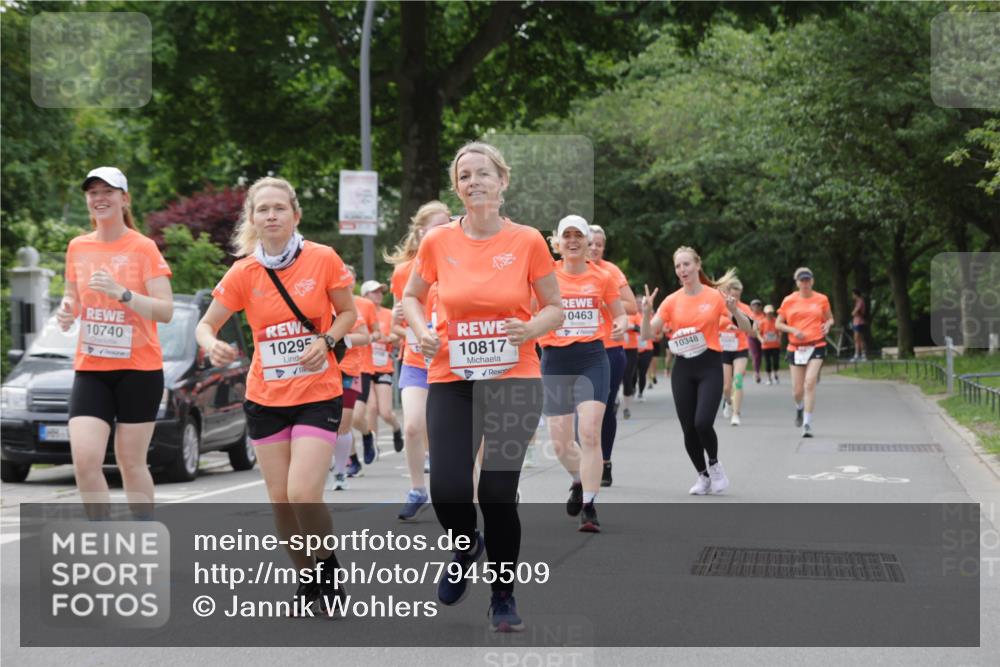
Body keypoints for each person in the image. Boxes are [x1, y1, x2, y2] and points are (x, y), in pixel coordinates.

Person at [402, 141, 562, 632]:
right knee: (448, 487)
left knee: (497, 491)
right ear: (457, 188)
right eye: (465, 176)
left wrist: (532, 329)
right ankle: (464, 542)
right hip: (452, 376)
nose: (474, 182)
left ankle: (503, 595)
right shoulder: (437, 242)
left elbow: (554, 307)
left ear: (503, 181)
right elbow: (411, 297)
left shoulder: (529, 240)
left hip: (514, 377)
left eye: (483, 174)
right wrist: (423, 331)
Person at [195, 176, 357, 613]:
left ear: (295, 215)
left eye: (279, 208)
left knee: (303, 492)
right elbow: (206, 324)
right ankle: (307, 580)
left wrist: (324, 341)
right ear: (252, 218)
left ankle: (327, 566)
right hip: (266, 397)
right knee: (281, 500)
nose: (271, 215)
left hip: (316, 391)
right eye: (262, 209)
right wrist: (211, 344)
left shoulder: (322, 259)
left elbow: (348, 313)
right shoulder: (245, 271)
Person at [59, 167, 174, 520]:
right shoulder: (78, 246)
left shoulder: (143, 247)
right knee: (85, 460)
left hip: (139, 369)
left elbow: (166, 310)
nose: (99, 198)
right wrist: (67, 311)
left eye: (108, 191)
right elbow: (72, 297)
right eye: (93, 192)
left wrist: (123, 294)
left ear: (124, 199)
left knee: (130, 462)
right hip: (92, 368)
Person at [640, 247, 752, 496]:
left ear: (697, 265)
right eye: (678, 266)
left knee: (702, 422)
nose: (683, 270)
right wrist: (647, 312)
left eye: (687, 264)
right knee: (688, 428)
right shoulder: (671, 301)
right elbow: (647, 334)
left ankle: (714, 465)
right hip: (683, 367)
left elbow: (748, 328)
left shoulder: (714, 297)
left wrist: (734, 310)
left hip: (710, 364)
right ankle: (702, 476)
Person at [539, 215, 624, 532]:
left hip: (592, 357)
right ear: (557, 243)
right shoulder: (544, 277)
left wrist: (621, 324)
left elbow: (620, 314)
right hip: (556, 359)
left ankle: (589, 504)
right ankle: (577, 479)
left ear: (589, 242)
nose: (573, 240)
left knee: (589, 432)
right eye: (567, 236)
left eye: (579, 235)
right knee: (560, 443)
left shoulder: (602, 277)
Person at [387, 200, 451, 520]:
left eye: (447, 225)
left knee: (466, 437)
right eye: (436, 226)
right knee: (413, 426)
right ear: (421, 231)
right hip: (416, 361)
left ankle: (494, 488)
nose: (442, 231)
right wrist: (402, 321)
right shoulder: (403, 272)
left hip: (454, 363)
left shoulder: (458, 265)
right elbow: (395, 326)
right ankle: (417, 489)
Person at [588, 225, 638, 487]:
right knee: (581, 410)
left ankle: (605, 462)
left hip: (609, 347)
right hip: (578, 348)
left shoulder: (611, 271)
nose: (594, 248)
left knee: (605, 409)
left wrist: (604, 300)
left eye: (599, 244)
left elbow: (631, 305)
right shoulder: (570, 270)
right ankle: (586, 462)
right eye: (591, 243)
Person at [775, 267, 834, 437]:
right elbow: (779, 323)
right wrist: (793, 330)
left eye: (808, 280)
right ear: (797, 282)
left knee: (810, 382)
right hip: (796, 347)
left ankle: (807, 424)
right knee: (797, 391)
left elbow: (830, 317)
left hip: (816, 344)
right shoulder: (789, 300)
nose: (805, 283)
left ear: (812, 281)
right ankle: (799, 407)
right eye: (802, 280)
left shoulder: (821, 299)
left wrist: (828, 324)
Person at [330, 265, 372, 489]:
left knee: (344, 423)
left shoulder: (352, 308)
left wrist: (337, 338)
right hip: (325, 371)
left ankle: (340, 473)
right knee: (327, 424)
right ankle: (339, 463)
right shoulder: (321, 305)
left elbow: (365, 337)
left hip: (350, 370)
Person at [361, 280, 404, 454]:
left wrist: (388, 338)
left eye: (380, 292)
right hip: (365, 365)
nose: (379, 295)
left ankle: (396, 428)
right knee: (371, 407)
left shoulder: (388, 314)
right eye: (374, 292)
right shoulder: (360, 313)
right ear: (365, 296)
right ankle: (374, 445)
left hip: (383, 366)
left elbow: (399, 337)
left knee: (386, 412)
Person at [718, 277, 753, 426]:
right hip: (724, 349)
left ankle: (735, 414)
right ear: (727, 293)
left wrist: (738, 327)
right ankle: (727, 401)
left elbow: (751, 329)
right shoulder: (720, 307)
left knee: (737, 381)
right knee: (726, 386)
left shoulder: (745, 308)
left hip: (740, 348)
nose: (736, 299)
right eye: (733, 295)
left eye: (738, 296)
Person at [758, 304, 782, 384]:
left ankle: (775, 374)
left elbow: (780, 331)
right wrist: (761, 340)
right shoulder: (762, 322)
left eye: (771, 312)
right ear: (765, 313)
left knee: (776, 361)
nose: (769, 314)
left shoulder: (776, 321)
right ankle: (769, 378)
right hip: (766, 346)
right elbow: (758, 333)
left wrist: (779, 338)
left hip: (775, 345)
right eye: (768, 313)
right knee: (768, 362)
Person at [747, 299, 765, 383]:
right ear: (751, 307)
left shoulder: (763, 316)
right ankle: (756, 373)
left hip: (761, 338)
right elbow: (746, 327)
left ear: (760, 307)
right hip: (752, 338)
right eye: (754, 305)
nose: (756, 307)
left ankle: (757, 370)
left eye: (758, 305)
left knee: (760, 356)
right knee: (756, 355)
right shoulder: (749, 315)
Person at [851, 288, 867, 361]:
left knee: (858, 338)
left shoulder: (860, 301)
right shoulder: (858, 302)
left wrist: (854, 312)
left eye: (853, 294)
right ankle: (858, 354)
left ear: (855, 294)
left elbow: (854, 312)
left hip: (859, 322)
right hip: (856, 321)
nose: (852, 296)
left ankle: (861, 354)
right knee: (857, 339)